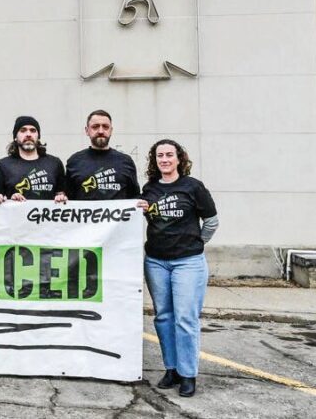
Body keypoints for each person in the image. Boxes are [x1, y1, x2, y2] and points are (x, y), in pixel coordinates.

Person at [139, 139, 219, 398]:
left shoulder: (192, 187)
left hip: (188, 262)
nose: (164, 159)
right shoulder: (149, 189)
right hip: (155, 261)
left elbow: (211, 221)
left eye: (169, 155)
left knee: (185, 318)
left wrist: (195, 243)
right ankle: (171, 368)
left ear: (179, 158)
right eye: (160, 155)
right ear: (155, 160)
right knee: (164, 317)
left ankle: (188, 374)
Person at [65, 110, 140, 200]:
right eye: (95, 127)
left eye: (105, 127)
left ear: (111, 130)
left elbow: (135, 197)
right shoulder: (74, 161)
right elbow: (68, 198)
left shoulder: (126, 161)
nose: (101, 131)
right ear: (87, 130)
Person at [0, 116, 67, 204]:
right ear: (15, 136)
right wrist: (7, 199)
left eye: (33, 130)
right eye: (23, 130)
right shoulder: (3, 165)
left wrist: (61, 197)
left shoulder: (55, 163)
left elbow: (62, 194)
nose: (28, 134)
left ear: (38, 136)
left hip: (47, 216)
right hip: (15, 216)